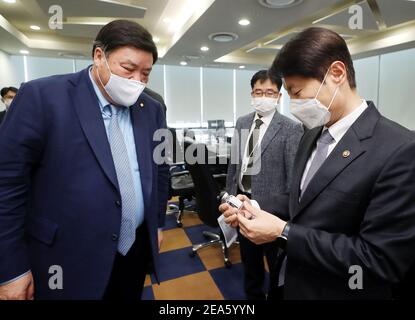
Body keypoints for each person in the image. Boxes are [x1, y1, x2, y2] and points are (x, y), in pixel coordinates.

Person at [220, 27, 415, 300]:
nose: (295, 104)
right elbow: (302, 197)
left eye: (297, 92)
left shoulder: (399, 149)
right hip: (289, 281)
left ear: (337, 73)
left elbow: (379, 259)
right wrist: (256, 206)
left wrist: (283, 232)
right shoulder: (312, 132)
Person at [0, 20, 169, 300]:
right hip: (66, 256)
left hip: (134, 249)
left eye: (146, 73)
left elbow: (160, 170)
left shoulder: (151, 108)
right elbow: (6, 186)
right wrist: (11, 269)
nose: (137, 81)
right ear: (99, 56)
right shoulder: (43, 97)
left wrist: (158, 224)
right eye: (128, 69)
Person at [226, 70, 302, 299]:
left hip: (272, 211)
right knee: (250, 264)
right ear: (252, 93)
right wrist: (230, 197)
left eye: (269, 92)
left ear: (279, 96)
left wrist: (287, 215)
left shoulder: (291, 128)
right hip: (242, 204)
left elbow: (293, 179)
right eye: (258, 92)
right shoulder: (242, 122)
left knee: (276, 267)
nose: (263, 96)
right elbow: (234, 165)